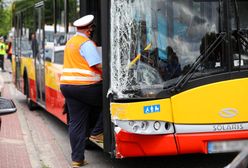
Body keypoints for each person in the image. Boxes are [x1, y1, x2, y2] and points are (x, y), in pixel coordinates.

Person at [60, 15, 103, 168]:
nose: (91, 31)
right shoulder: (86, 43)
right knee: (111, 100)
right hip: (85, 87)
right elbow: (97, 65)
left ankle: (77, 160)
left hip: (67, 87)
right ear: (88, 29)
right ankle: (97, 132)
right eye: (91, 28)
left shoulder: (70, 43)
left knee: (76, 123)